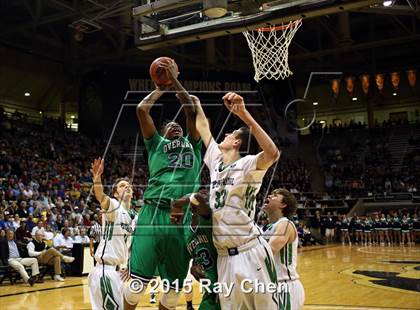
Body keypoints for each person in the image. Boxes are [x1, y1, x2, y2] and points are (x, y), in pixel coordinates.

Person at [124, 59, 202, 310]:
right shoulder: (155, 144)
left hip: (182, 216)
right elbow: (140, 110)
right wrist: (161, 86)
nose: (175, 126)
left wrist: (174, 80)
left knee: (172, 292)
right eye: (170, 126)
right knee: (136, 287)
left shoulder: (194, 143)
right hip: (152, 213)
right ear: (161, 132)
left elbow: (190, 109)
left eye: (177, 125)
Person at [192, 92, 280, 309]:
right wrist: (193, 101)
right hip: (224, 257)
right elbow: (203, 127)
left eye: (230, 134)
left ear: (237, 142)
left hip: (250, 251)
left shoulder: (248, 164)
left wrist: (244, 115)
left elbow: (272, 153)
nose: (225, 135)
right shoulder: (216, 162)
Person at [88, 158, 134, 310]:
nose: (127, 187)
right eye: (122, 186)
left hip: (119, 272)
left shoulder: (134, 217)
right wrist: (97, 178)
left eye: (128, 186)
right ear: (115, 193)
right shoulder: (114, 207)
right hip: (105, 271)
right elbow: (100, 196)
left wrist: (130, 265)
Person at [170, 190, 220, 310]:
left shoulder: (208, 219)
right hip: (209, 290)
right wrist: (194, 267)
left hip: (224, 285)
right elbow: (197, 254)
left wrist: (176, 203)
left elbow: (197, 199)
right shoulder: (186, 229)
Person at [262, 188, 305, 310]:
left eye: (275, 195)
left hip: (285, 286)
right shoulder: (265, 228)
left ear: (283, 204)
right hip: (271, 286)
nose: (270, 196)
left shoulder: (285, 224)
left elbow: (269, 251)